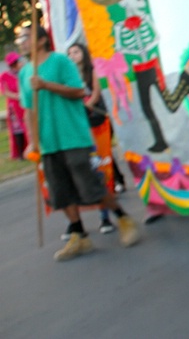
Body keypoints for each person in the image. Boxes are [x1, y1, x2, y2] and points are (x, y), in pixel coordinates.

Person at [17, 25, 140, 262]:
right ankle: (79, 234)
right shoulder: (24, 73)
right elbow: (28, 110)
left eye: (25, 37)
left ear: (41, 40)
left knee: (89, 185)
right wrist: (33, 142)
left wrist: (46, 85)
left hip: (72, 136)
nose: (21, 41)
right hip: (48, 141)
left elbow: (78, 91)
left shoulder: (60, 62)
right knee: (59, 190)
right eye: (20, 38)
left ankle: (122, 217)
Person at [67, 43, 117, 236]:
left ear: (84, 54)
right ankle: (76, 223)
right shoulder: (67, 75)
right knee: (84, 169)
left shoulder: (92, 71)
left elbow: (95, 94)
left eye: (76, 51)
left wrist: (85, 106)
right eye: (70, 53)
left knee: (101, 167)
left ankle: (106, 216)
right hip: (78, 126)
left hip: (96, 122)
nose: (73, 55)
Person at [1, 52, 28, 159]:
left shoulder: (24, 73)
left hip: (25, 104)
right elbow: (5, 91)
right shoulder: (5, 76)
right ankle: (20, 153)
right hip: (14, 106)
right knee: (18, 129)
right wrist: (18, 96)